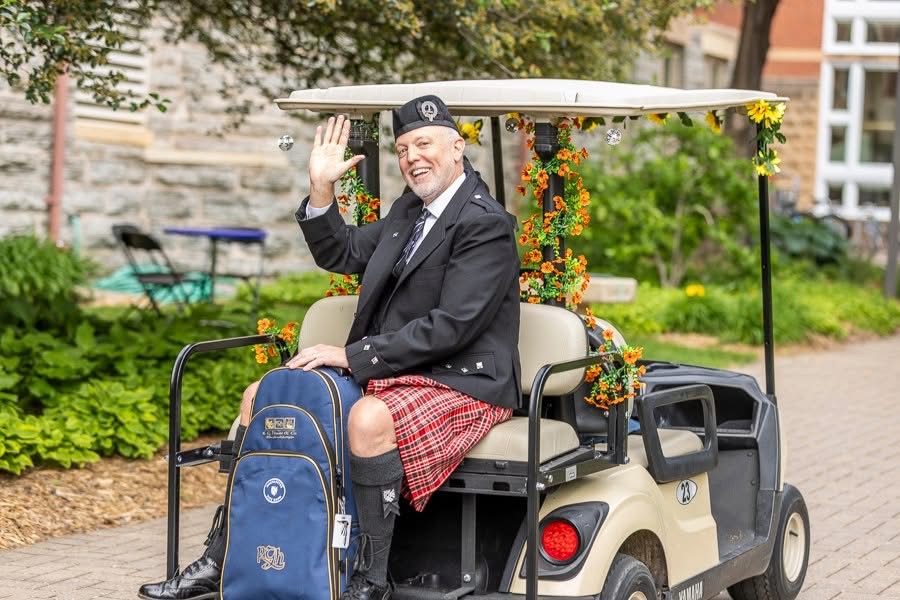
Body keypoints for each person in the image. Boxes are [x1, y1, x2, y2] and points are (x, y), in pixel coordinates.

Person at [138, 95, 521, 600]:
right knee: (265, 394)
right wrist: (322, 189)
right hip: (395, 368)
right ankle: (221, 554)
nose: (411, 157)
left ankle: (370, 578)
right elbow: (341, 251)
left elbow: (453, 326)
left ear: (456, 147)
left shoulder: (484, 222)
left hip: (459, 378)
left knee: (367, 419)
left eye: (423, 144)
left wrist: (351, 356)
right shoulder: (412, 211)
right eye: (403, 148)